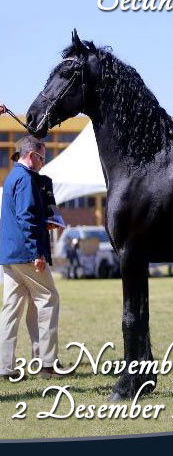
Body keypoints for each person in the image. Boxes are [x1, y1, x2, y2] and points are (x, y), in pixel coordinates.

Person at [0, 135, 65, 379]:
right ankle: (47, 364)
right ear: (31, 155)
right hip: (27, 255)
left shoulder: (11, 177)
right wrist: (36, 251)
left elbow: (21, 216)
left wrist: (45, 225)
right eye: (41, 157)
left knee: (11, 311)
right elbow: (26, 217)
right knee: (49, 299)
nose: (42, 162)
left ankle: (5, 367)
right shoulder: (26, 179)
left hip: (9, 255)